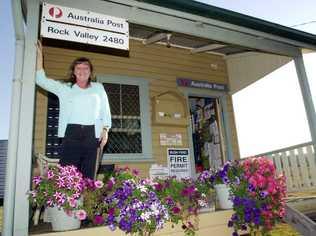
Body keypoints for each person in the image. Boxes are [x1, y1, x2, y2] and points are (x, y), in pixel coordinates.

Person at [36, 41, 111, 179]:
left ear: (90, 72)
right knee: (68, 176)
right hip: (71, 133)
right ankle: (68, 200)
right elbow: (41, 80)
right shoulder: (65, 88)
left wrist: (105, 130)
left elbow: (105, 110)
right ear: (74, 72)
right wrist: (40, 57)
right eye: (78, 68)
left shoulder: (98, 87)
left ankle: (87, 200)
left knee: (89, 176)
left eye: (86, 68)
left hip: (92, 134)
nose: (82, 71)